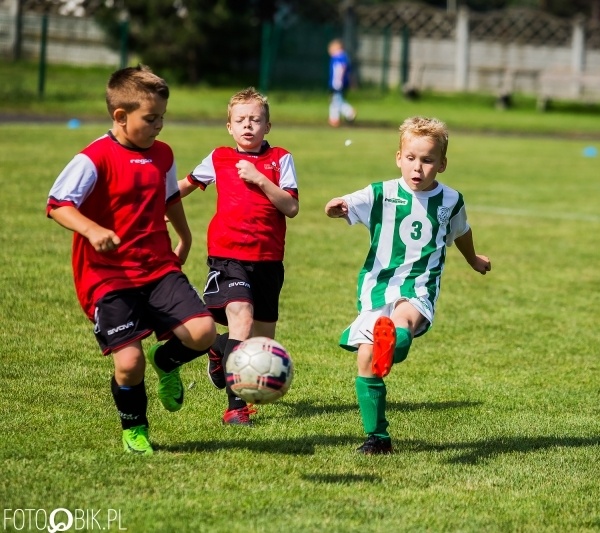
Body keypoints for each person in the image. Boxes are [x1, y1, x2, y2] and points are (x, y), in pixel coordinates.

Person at [46, 65, 217, 455]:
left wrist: (185, 235)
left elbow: (169, 198)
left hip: (157, 266)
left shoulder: (163, 154)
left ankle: (168, 360)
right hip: (107, 275)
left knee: (203, 331)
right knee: (128, 362)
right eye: (151, 118)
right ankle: (135, 426)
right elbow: (58, 205)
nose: (159, 126)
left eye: (162, 118)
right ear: (120, 117)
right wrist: (91, 230)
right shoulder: (93, 158)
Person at [324, 116, 491, 454]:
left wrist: (473, 259)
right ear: (398, 157)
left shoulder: (451, 200)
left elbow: (461, 232)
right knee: (366, 360)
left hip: (419, 285)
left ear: (442, 164)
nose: (418, 167)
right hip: (377, 288)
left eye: (428, 160)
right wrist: (337, 206)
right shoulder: (381, 192)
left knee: (405, 317)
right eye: (411, 158)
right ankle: (378, 438)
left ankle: (395, 341)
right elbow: (347, 203)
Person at [178, 87, 300, 426]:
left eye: (256, 120)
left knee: (260, 345)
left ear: (268, 126)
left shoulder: (280, 159)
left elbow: (290, 207)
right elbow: (183, 186)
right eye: (240, 120)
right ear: (229, 127)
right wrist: (145, 200)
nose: (248, 126)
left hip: (269, 260)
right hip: (228, 256)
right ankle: (236, 406)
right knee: (241, 318)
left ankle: (218, 347)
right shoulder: (218, 157)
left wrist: (260, 178)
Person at [328, 38, 356, 127]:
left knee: (336, 101)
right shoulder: (344, 57)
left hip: (338, 83)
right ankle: (337, 117)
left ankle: (347, 113)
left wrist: (338, 81)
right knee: (336, 100)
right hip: (341, 83)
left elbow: (340, 69)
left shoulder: (339, 57)